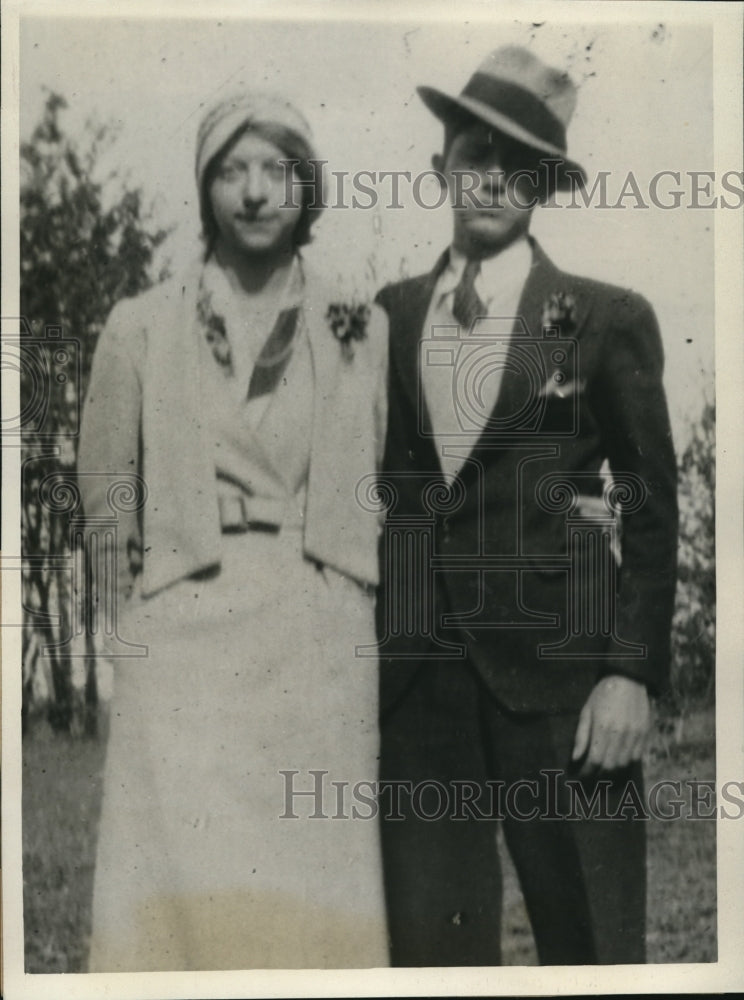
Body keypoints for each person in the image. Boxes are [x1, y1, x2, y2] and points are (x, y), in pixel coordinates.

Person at [374, 46, 678, 966]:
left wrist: (631, 674)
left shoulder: (604, 317)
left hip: (568, 691)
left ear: (546, 185)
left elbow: (652, 505)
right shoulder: (382, 317)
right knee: (432, 956)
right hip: (420, 694)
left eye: (520, 167)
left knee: (593, 947)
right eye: (474, 155)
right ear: (440, 170)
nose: (492, 180)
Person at [78, 90, 389, 971]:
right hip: (184, 640)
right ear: (206, 187)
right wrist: (131, 632)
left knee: (309, 892)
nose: (254, 192)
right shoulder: (138, 325)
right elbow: (107, 495)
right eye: (232, 171)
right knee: (181, 891)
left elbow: (380, 482)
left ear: (307, 187)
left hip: (314, 636)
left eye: (276, 170)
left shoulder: (364, 328)